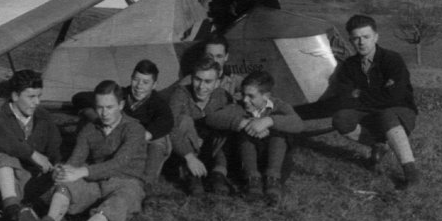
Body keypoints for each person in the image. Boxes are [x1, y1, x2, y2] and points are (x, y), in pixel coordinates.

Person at [34, 81, 147, 221]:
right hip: (96, 181)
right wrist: (63, 172)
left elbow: (119, 162)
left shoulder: (134, 129)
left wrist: (83, 171)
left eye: (109, 107)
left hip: (126, 181)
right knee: (66, 185)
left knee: (120, 202)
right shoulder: (90, 128)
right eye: (100, 107)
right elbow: (76, 159)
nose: (104, 113)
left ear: (121, 105)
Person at [331, 14, 420, 187]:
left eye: (366, 37)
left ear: (376, 37)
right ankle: (379, 143)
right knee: (341, 119)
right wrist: (380, 92)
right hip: (369, 113)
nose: (361, 42)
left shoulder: (392, 59)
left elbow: (396, 96)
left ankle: (410, 172)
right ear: (350, 40)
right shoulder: (349, 65)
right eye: (356, 38)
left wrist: (360, 94)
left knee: (386, 114)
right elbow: (344, 97)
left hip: (400, 112)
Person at [0, 69, 61, 221]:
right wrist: (32, 154)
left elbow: (55, 148)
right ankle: (13, 209)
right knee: (1, 155)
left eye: (39, 96)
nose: (36, 102)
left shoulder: (43, 117)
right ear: (15, 96)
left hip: (35, 179)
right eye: (31, 97)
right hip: (9, 182)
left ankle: (27, 217)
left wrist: (57, 166)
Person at [72, 60, 173, 187]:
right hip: (118, 136)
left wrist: (147, 134)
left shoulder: (158, 103)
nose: (139, 86)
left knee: (160, 140)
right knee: (88, 120)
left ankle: (147, 180)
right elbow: (80, 97)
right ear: (131, 78)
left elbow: (167, 121)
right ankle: (92, 165)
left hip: (141, 139)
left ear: (154, 85)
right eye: (136, 80)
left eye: (145, 82)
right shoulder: (121, 95)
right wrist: (95, 117)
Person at [169, 56, 248, 196]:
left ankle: (218, 174)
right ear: (191, 78)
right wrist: (189, 157)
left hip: (211, 149)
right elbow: (171, 127)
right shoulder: (180, 94)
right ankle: (192, 175)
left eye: (208, 81)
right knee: (183, 120)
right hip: (186, 151)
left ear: (217, 83)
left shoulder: (221, 95)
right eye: (197, 79)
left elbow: (237, 113)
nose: (201, 86)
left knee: (227, 120)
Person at [237, 71, 303, 204]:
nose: (245, 100)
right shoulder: (239, 106)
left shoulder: (279, 106)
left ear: (266, 96)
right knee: (245, 132)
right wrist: (248, 123)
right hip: (247, 159)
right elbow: (217, 117)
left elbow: (299, 124)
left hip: (275, 159)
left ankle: (273, 180)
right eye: (243, 94)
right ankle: (252, 180)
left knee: (279, 132)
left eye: (251, 96)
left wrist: (270, 121)